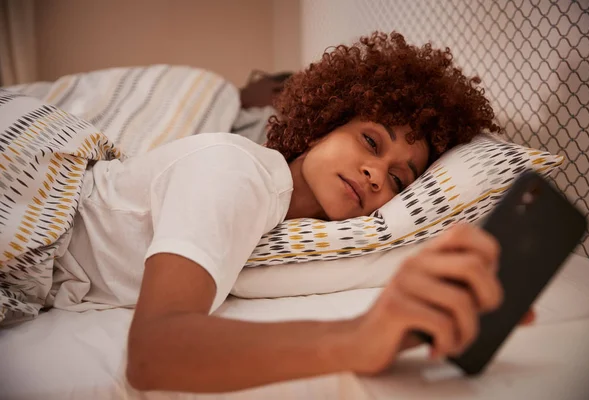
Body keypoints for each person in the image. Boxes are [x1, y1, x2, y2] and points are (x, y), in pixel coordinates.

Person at [46, 32, 533, 392]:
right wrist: (363, 334)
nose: (376, 175)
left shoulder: (275, 213)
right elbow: (154, 352)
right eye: (370, 140)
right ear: (323, 123)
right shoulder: (235, 170)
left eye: (400, 179)